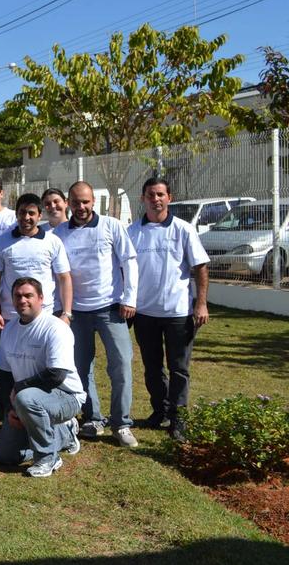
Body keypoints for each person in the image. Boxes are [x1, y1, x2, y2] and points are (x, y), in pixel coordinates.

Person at [53, 181, 140, 447]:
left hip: (110, 308)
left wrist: (130, 298)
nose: (81, 207)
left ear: (93, 202)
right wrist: (61, 310)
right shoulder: (58, 233)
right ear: (68, 202)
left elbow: (129, 261)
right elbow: (57, 273)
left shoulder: (111, 226)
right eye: (76, 202)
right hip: (76, 313)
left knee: (121, 364)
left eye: (86, 202)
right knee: (80, 368)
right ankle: (92, 418)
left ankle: (121, 423)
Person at [127, 177, 209, 442]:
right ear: (143, 198)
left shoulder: (184, 230)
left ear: (169, 198)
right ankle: (159, 411)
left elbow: (200, 267)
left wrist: (201, 303)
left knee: (179, 368)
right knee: (152, 368)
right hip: (144, 313)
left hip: (178, 312)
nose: (156, 199)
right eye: (151, 194)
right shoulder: (132, 231)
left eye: (161, 194)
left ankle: (178, 418)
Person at [0, 278, 85, 478]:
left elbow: (56, 375)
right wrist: (12, 410)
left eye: (28, 295)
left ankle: (48, 458)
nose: (22, 300)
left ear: (41, 298)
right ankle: (62, 432)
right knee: (5, 456)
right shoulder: (9, 329)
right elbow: (4, 374)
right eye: (18, 296)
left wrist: (19, 392)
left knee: (26, 398)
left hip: (66, 396)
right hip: (27, 399)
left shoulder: (56, 327)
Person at [0, 195, 72, 386]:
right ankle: (11, 404)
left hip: (45, 316)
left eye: (31, 213)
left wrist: (66, 313)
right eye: (22, 212)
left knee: (43, 363)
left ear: (40, 215)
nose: (26, 217)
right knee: (12, 365)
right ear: (16, 214)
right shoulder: (2, 242)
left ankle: (41, 403)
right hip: (10, 317)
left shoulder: (52, 241)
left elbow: (64, 278)